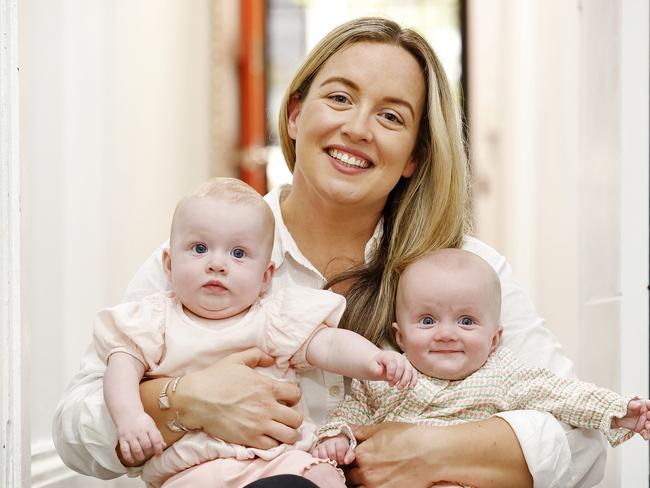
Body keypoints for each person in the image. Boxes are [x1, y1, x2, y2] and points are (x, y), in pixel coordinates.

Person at [53, 17, 606, 487]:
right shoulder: (202, 261)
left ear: (414, 155)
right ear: (295, 115)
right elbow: (76, 436)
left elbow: (584, 445)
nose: (357, 128)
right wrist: (182, 400)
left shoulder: (469, 271)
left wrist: (429, 450)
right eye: (339, 97)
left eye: (391, 115)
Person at [95, 177, 417, 487]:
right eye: (199, 248)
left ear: (266, 277)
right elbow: (121, 367)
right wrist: (131, 418)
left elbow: (329, 345)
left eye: (238, 254)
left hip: (275, 460)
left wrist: (375, 360)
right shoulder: (155, 320)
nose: (217, 264)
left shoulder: (274, 318)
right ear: (168, 264)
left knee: (321, 475)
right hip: (192, 468)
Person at [313, 249, 650, 487]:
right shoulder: (385, 375)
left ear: (494, 338)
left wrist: (619, 411)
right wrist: (335, 438)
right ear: (400, 336)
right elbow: (350, 414)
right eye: (427, 320)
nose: (446, 334)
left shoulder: (504, 374)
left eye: (467, 321)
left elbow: (563, 395)